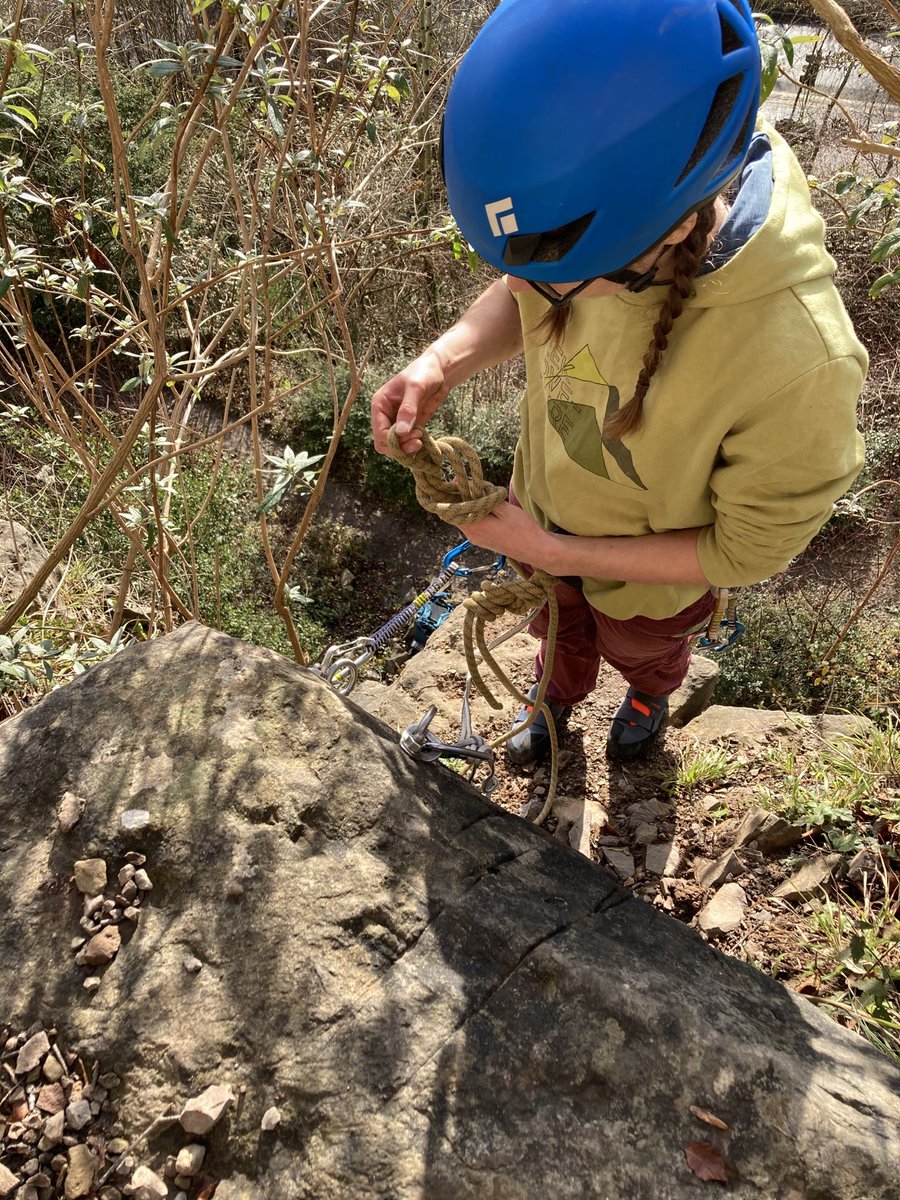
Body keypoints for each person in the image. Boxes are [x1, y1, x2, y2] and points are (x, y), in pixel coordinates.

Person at [370, 0, 866, 765]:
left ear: (674, 232)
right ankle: (554, 698)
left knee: (646, 650)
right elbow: (524, 285)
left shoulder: (799, 358)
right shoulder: (616, 213)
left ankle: (647, 695)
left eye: (557, 279)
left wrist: (552, 546)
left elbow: (743, 551)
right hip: (541, 528)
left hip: (652, 588)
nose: (523, 291)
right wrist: (446, 359)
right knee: (556, 634)